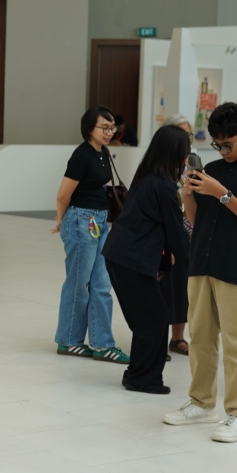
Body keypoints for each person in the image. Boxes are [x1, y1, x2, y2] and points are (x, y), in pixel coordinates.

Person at [163, 102, 237, 443]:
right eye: (217, 144)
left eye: (228, 144)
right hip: (201, 263)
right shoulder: (211, 169)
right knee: (200, 337)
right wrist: (189, 193)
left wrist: (223, 194)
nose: (222, 151)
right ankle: (201, 402)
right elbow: (197, 220)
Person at [102, 125, 191, 393]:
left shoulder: (147, 176)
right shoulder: (163, 185)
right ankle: (144, 379)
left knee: (147, 321)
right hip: (132, 259)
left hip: (120, 254)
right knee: (154, 320)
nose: (186, 158)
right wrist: (196, 263)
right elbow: (176, 231)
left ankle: (137, 374)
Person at [51, 105, 126, 363]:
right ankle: (68, 341)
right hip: (81, 220)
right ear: (89, 129)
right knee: (78, 283)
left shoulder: (102, 152)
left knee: (102, 284)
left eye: (111, 127)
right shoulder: (81, 155)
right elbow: (63, 195)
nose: (109, 132)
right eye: (104, 127)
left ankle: (102, 344)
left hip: (100, 220)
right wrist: (61, 219)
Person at [162, 114, 196, 356]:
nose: (186, 139)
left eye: (189, 134)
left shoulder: (193, 163)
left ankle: (177, 338)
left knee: (183, 287)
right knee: (163, 286)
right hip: (166, 235)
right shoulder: (160, 165)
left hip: (189, 235)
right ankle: (157, 338)